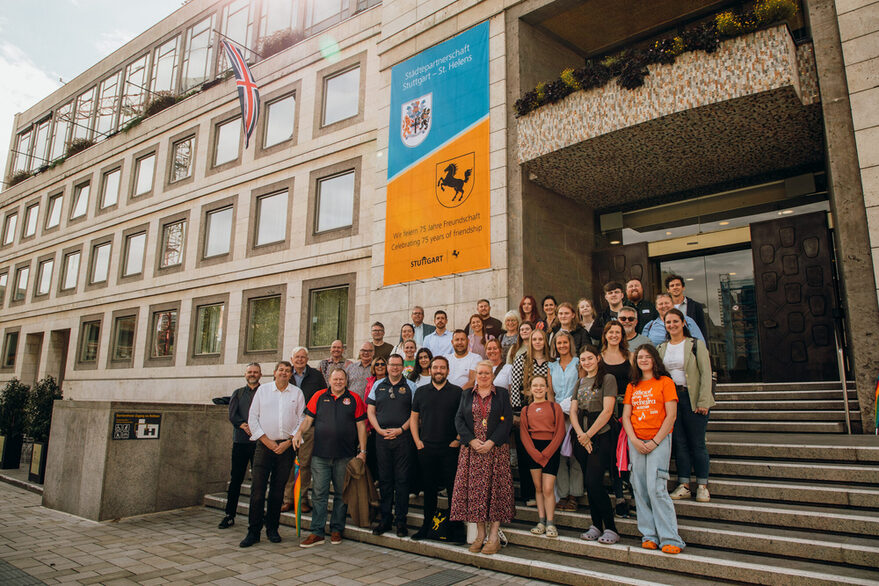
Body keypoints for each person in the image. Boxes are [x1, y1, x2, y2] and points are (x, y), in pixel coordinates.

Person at [622, 345, 685, 555]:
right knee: (639, 487)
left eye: (648, 357)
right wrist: (634, 440)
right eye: (640, 357)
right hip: (636, 441)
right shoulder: (633, 385)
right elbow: (626, 416)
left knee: (656, 488)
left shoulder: (665, 382)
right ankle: (649, 535)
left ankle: (670, 537)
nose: (644, 360)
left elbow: (671, 416)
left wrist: (655, 441)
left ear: (655, 360)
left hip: (658, 440)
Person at [294, 368, 368, 548]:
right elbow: (308, 420)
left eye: (341, 379)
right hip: (320, 455)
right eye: (335, 379)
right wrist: (298, 433)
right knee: (319, 493)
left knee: (341, 495)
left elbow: (361, 426)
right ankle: (317, 532)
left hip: (345, 455)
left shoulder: (354, 399)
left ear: (346, 381)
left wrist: (363, 451)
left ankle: (336, 529)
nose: (338, 382)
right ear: (329, 380)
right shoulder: (319, 396)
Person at [451, 361, 515, 555]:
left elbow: (507, 420)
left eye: (487, 373)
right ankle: (480, 535)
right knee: (477, 494)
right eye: (480, 373)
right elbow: (459, 419)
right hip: (473, 451)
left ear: (492, 375)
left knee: (495, 492)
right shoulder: (466, 394)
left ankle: (493, 537)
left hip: (495, 450)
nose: (484, 376)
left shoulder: (502, 394)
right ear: (476, 374)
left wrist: (492, 441)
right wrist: (470, 440)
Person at [240, 361, 305, 548]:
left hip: (286, 447)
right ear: (275, 373)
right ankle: (253, 532)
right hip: (264, 446)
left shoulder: (297, 393)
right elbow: (253, 418)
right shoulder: (263, 391)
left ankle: (272, 529)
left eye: (287, 371)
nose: (284, 373)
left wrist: (288, 442)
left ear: (291, 374)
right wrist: (267, 441)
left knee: (278, 491)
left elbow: (302, 419)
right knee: (258, 491)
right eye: (281, 370)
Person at [658, 308, 715, 503]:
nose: (672, 325)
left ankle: (702, 485)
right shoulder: (662, 348)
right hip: (672, 400)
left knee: (697, 444)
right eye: (668, 322)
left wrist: (703, 401)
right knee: (679, 443)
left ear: (683, 323)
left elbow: (706, 375)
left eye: (675, 321)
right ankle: (684, 484)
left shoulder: (695, 345)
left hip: (692, 397)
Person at [409, 356, 463, 541]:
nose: (438, 370)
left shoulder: (457, 392)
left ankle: (456, 529)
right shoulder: (421, 392)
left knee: (452, 489)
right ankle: (426, 526)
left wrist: (457, 439)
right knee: (429, 489)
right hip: (427, 447)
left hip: (450, 448)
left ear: (448, 371)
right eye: (435, 367)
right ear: (430, 370)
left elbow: (463, 419)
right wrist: (417, 441)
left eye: (442, 368)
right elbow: (414, 418)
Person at [570, 346, 619, 544]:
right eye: (583, 359)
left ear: (598, 358)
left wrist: (589, 435)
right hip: (581, 436)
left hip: (600, 435)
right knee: (589, 483)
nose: (587, 362)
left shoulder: (607, 379)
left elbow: (607, 411)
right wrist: (581, 435)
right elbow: (573, 411)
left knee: (594, 481)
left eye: (590, 358)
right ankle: (596, 524)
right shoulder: (580, 381)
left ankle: (611, 527)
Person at [368, 354, 416, 537]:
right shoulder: (377, 385)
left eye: (398, 365)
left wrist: (401, 430)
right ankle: (385, 519)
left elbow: (415, 414)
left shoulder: (411, 386)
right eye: (392, 365)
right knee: (386, 480)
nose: (395, 368)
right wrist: (379, 430)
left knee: (402, 480)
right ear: (387, 367)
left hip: (403, 439)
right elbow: (370, 410)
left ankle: (401, 521)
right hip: (382, 439)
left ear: (403, 367)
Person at [518, 375, 565, 538]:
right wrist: (535, 453)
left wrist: (546, 453)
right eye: (535, 385)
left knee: (547, 488)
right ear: (530, 389)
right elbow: (524, 434)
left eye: (541, 385)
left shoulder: (555, 407)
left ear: (546, 388)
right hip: (533, 451)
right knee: (538, 488)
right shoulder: (526, 410)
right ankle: (541, 520)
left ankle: (551, 523)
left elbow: (560, 432)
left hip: (550, 450)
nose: (538, 388)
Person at [282, 348, 327, 514]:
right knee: (288, 463)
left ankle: (301, 500)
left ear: (307, 358)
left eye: (303, 357)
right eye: (297, 357)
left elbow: (323, 396)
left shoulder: (316, 375)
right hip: (288, 426)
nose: (300, 360)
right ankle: (287, 499)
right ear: (291, 358)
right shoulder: (285, 373)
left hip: (308, 426)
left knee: (305, 463)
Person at [509, 328, 550, 506]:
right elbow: (515, 386)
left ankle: (546, 492)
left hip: (545, 413)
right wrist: (517, 413)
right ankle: (529, 493)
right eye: (535, 339)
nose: (538, 342)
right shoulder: (522, 359)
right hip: (524, 410)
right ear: (530, 342)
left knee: (543, 450)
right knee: (525, 452)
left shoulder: (551, 361)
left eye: (541, 339)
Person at [219, 363, 261, 530]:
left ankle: (256, 516)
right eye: (250, 372)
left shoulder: (264, 392)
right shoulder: (238, 393)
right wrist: (243, 425)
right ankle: (229, 514)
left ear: (260, 374)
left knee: (259, 481)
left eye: (255, 372)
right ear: (245, 374)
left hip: (259, 443)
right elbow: (232, 414)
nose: (252, 374)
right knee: (236, 479)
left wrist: (256, 429)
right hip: (240, 441)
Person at [547, 331, 583, 513]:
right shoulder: (551, 366)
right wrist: (554, 411)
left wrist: (572, 410)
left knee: (575, 454)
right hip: (558, 415)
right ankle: (562, 493)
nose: (562, 346)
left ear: (570, 344)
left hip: (575, 413)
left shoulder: (578, 363)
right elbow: (550, 392)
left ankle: (574, 495)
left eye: (565, 343)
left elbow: (583, 385)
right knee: (560, 455)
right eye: (558, 343)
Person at [600, 320, 631, 518]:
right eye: (611, 332)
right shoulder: (598, 357)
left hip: (628, 409)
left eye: (618, 332)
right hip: (607, 412)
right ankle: (619, 496)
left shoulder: (630, 356)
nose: (614, 335)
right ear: (605, 335)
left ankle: (633, 492)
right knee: (613, 453)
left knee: (628, 452)